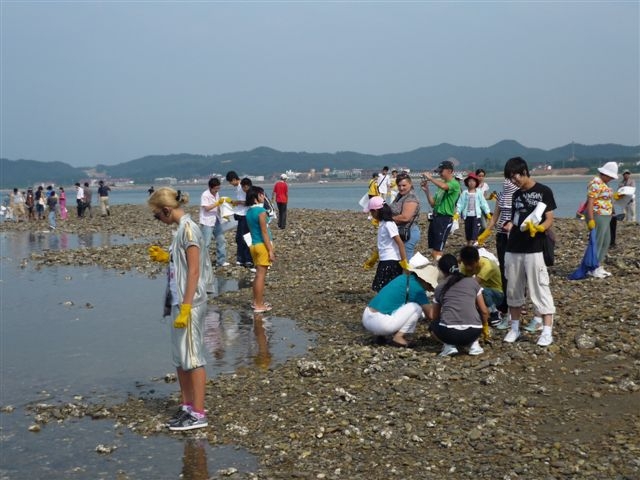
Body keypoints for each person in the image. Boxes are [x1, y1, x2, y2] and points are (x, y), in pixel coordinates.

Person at [147, 187, 212, 431]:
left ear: (166, 210)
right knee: (180, 356)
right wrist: (167, 257)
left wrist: (186, 307)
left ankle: (198, 412)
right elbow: (183, 263)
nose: (158, 220)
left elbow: (195, 270)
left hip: (190, 303)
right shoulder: (179, 231)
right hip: (178, 300)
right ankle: (186, 406)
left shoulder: (189, 229)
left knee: (193, 358)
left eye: (157, 215)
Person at [501, 156, 556, 347]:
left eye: (515, 176)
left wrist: (540, 228)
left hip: (534, 249)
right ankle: (514, 328)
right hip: (513, 247)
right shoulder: (516, 195)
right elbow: (516, 217)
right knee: (513, 288)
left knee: (539, 287)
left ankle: (547, 331)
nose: (513, 180)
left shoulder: (543, 191)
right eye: (510, 178)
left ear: (524, 172)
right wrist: (510, 226)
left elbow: (549, 218)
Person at [362, 254, 438, 347]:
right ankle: (398, 337)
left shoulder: (402, 278)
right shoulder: (417, 289)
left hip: (367, 316)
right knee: (416, 307)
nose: (429, 289)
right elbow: (431, 315)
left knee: (398, 303)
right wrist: (437, 303)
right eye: (430, 286)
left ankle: (380, 335)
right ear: (426, 281)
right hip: (380, 324)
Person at [426, 254, 489, 356]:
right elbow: (484, 311)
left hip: (450, 334)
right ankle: (474, 345)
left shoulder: (440, 287)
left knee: (433, 326)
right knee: (475, 311)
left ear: (442, 271)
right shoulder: (472, 282)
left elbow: (434, 316)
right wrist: (484, 327)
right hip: (474, 331)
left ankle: (449, 346)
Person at [477, 178, 519, 329]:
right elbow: (495, 217)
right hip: (502, 236)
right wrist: (485, 233)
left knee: (515, 272)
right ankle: (506, 306)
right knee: (504, 271)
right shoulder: (501, 196)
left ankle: (515, 305)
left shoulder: (519, 195)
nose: (508, 182)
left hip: (515, 236)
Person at [363, 196, 409, 292]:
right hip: (384, 259)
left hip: (391, 261)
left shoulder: (389, 224)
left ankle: (389, 305)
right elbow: (383, 244)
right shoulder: (383, 223)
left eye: (371, 212)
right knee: (383, 288)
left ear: (376, 211)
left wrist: (404, 262)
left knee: (387, 288)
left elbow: (400, 243)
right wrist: (374, 258)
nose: (371, 214)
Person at [421, 160, 461, 260]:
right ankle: (437, 267)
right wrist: (427, 190)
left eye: (441, 171)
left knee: (438, 249)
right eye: (439, 171)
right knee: (433, 248)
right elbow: (432, 203)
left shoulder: (454, 184)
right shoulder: (441, 185)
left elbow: (444, 186)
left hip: (445, 218)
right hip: (436, 217)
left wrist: (430, 178)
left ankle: (441, 270)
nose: (439, 174)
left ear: (449, 171)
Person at [584, 161, 618, 278]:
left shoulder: (604, 184)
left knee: (606, 241)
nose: (611, 179)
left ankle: (598, 264)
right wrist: (591, 219)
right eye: (611, 177)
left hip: (606, 215)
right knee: (597, 241)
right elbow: (590, 201)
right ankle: (592, 268)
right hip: (598, 214)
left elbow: (606, 198)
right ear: (605, 174)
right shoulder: (595, 183)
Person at [245, 186, 275, 313]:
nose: (263, 197)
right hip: (262, 245)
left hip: (254, 245)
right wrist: (270, 250)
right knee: (261, 276)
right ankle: (259, 304)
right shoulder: (261, 211)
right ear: (255, 198)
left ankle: (256, 301)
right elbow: (264, 232)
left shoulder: (249, 212)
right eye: (261, 195)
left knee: (258, 275)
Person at [459, 246, 503, 327]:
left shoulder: (488, 266)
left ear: (477, 260)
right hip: (480, 295)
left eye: (471, 264)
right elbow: (460, 282)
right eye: (466, 264)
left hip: (496, 294)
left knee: (480, 290)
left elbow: (474, 284)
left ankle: (495, 313)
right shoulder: (464, 264)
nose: (468, 268)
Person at [390, 172, 421, 260]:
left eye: (404, 185)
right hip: (399, 231)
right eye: (399, 185)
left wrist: (388, 219)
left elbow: (405, 217)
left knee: (406, 262)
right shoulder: (400, 195)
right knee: (398, 259)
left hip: (408, 232)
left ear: (410, 184)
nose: (401, 188)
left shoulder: (411, 197)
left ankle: (408, 274)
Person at [199, 177, 229, 269]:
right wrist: (217, 203)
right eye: (215, 188)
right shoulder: (205, 195)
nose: (217, 190)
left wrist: (224, 214)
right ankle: (203, 262)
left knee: (221, 240)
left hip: (216, 219)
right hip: (207, 221)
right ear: (210, 187)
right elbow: (206, 208)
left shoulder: (217, 194)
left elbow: (218, 206)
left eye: (218, 188)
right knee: (206, 243)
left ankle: (221, 261)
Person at [455, 173, 492, 246]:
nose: (471, 183)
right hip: (467, 215)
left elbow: (483, 203)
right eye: (470, 181)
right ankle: (469, 245)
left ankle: (474, 245)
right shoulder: (464, 193)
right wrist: (457, 213)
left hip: (476, 215)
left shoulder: (479, 193)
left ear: (476, 183)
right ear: (467, 183)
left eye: (473, 181)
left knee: (475, 230)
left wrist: (487, 213)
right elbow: (460, 204)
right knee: (468, 230)